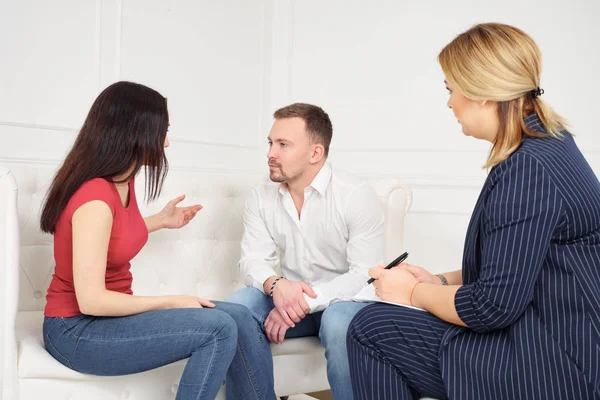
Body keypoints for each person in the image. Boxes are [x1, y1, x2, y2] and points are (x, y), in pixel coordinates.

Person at [347, 22, 600, 400]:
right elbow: (521, 261)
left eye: (451, 89)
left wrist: (413, 292)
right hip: (570, 347)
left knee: (371, 327)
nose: (449, 102)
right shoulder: (553, 144)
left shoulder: (528, 168)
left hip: (553, 366)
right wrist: (440, 281)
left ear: (482, 92)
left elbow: (491, 307)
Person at [40, 81, 270, 400]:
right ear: (137, 132)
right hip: (77, 331)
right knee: (219, 328)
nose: (166, 142)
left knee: (240, 316)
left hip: (107, 321)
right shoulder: (94, 198)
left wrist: (159, 221)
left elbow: (110, 235)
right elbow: (92, 300)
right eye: (162, 131)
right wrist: (171, 300)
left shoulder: (122, 181)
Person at [225, 103, 385, 399]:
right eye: (271, 143)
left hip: (344, 302)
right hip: (290, 299)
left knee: (338, 322)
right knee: (237, 310)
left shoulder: (354, 195)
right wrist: (276, 286)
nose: (271, 153)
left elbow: (366, 274)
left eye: (283, 145)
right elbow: (252, 259)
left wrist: (301, 303)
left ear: (315, 153)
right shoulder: (262, 195)